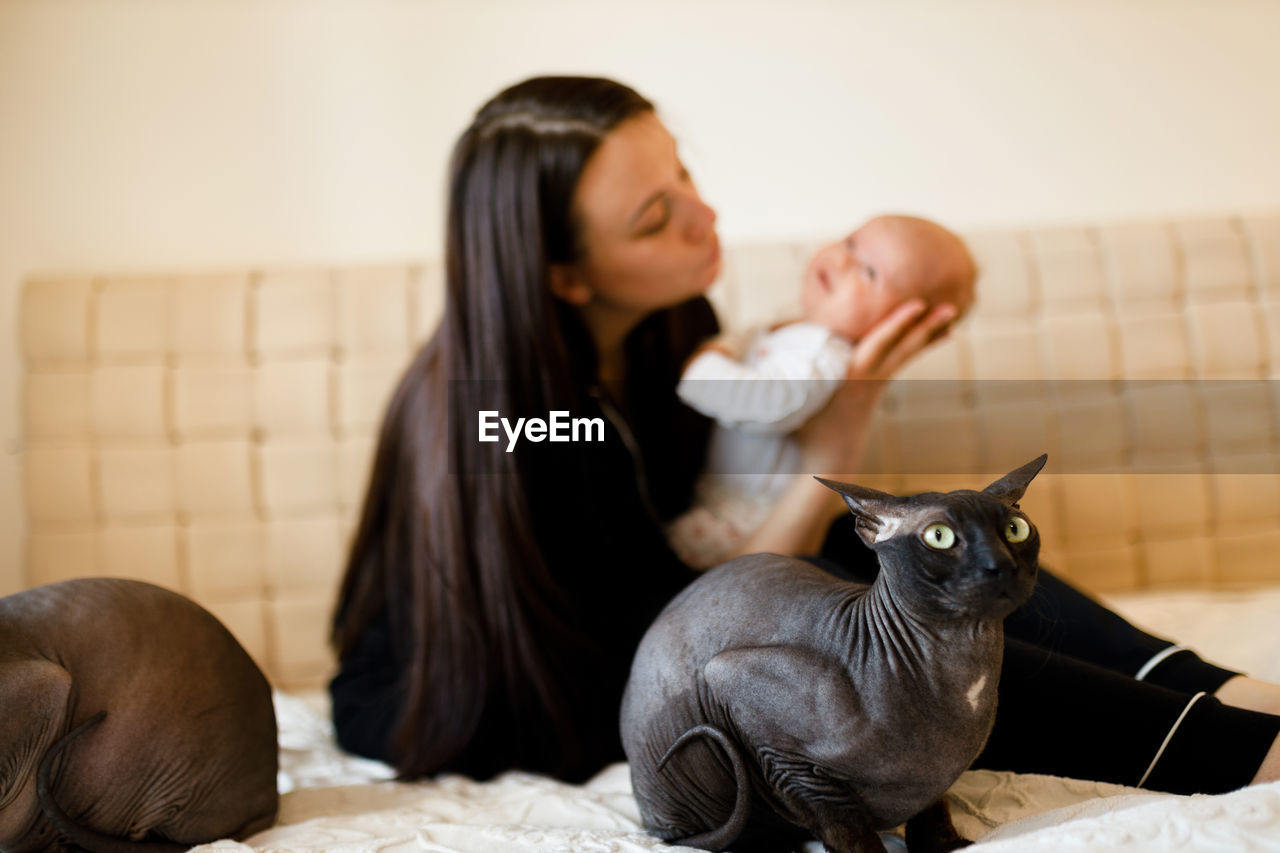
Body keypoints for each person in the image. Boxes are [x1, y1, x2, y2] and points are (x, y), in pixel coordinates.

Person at [329, 75, 1280, 792]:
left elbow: (728, 503)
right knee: (879, 637)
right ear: (566, 276)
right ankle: (1228, 748)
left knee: (924, 542)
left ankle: (1210, 686)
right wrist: (837, 444)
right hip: (528, 689)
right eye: (658, 217)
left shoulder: (671, 327)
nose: (707, 215)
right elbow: (700, 622)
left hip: (671, 602)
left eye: (685, 172)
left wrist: (840, 358)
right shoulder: (525, 426)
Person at [669, 215, 977, 568]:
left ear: (899, 324)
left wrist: (705, 363)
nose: (843, 260)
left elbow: (763, 405)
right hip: (723, 509)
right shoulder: (801, 330)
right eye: (850, 242)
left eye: (870, 273)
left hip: (742, 526)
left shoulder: (823, 355)